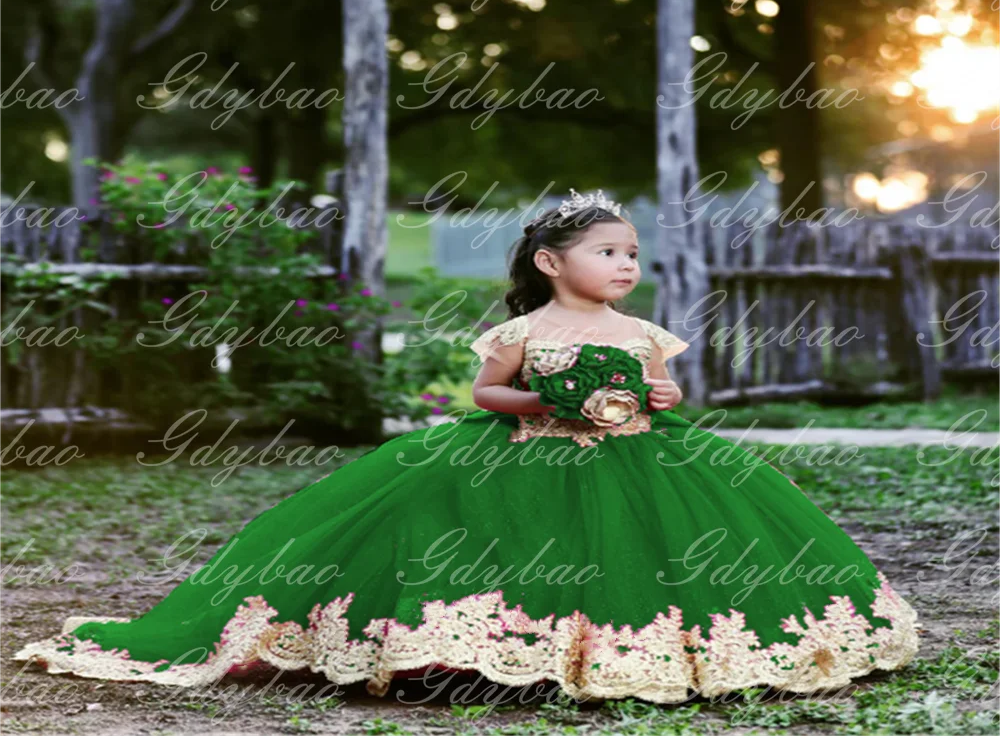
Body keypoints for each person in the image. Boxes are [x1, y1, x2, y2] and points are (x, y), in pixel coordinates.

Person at [14, 190, 920, 703]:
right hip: (523, 447)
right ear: (551, 263)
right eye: (608, 253)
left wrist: (654, 392)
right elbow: (485, 393)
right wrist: (544, 395)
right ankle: (469, 647)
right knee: (497, 533)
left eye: (632, 254)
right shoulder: (525, 326)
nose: (626, 266)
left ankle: (641, 650)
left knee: (657, 550)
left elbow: (668, 390)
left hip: (641, 454)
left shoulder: (644, 329)